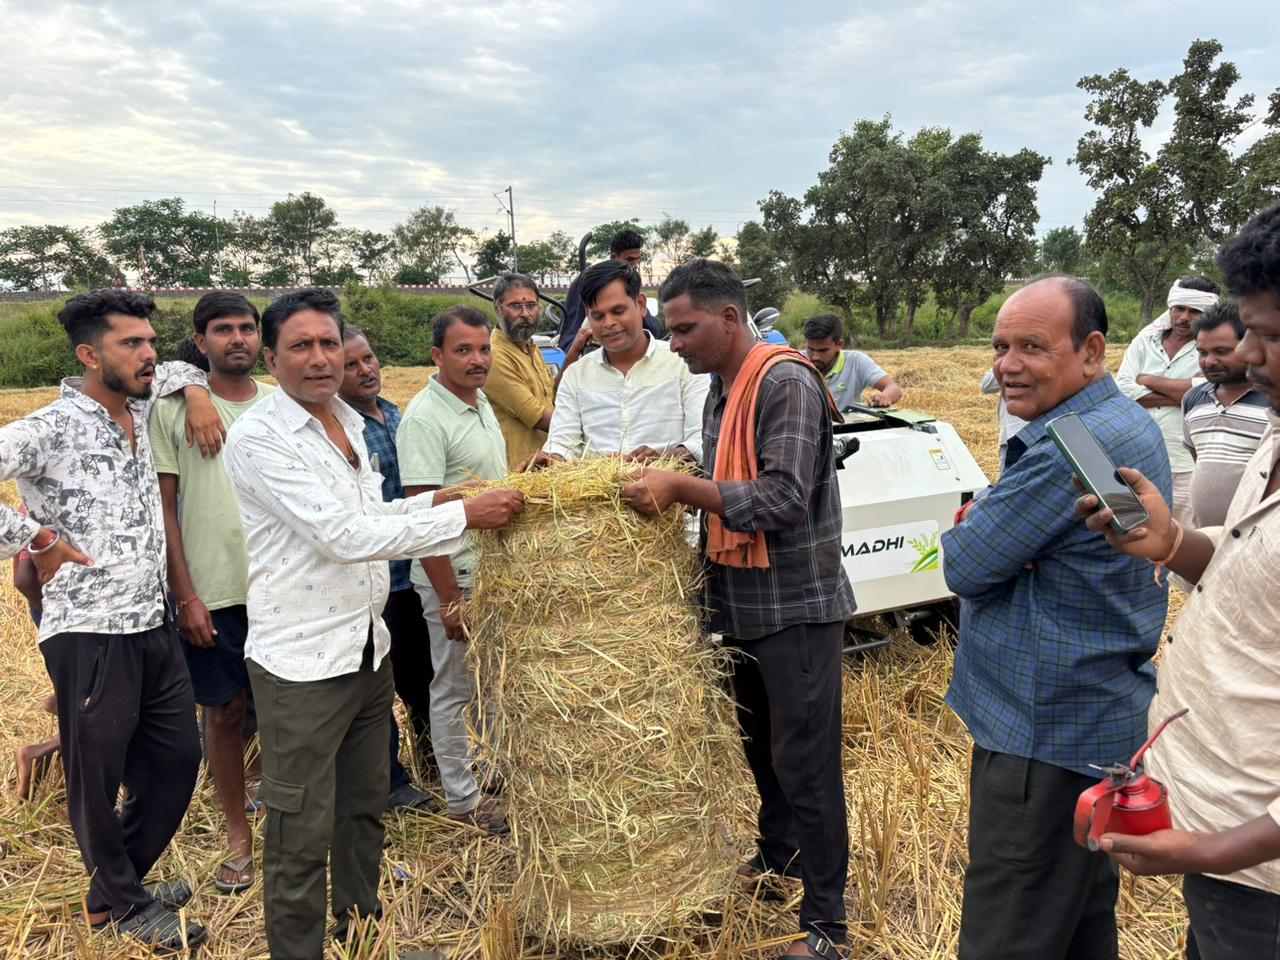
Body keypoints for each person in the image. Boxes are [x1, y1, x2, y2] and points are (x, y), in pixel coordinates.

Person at [223, 288, 523, 960]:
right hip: (302, 665)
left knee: (362, 811)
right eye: (301, 346)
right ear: (271, 358)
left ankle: (361, 935)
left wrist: (444, 499)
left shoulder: (350, 425)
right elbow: (340, 534)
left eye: (329, 343)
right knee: (299, 833)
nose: (321, 358)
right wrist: (461, 519)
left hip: (365, 651)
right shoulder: (260, 438)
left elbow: (376, 518)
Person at [620, 259, 855, 960]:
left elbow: (781, 498)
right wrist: (678, 460)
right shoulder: (725, 388)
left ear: (729, 318)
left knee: (806, 762)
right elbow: (731, 464)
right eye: (672, 329)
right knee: (762, 748)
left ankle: (827, 925)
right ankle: (779, 857)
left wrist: (682, 490)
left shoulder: (783, 380)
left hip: (796, 608)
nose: (676, 343)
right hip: (743, 600)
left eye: (686, 328)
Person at [941, 276, 1171, 960]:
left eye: (1032, 347)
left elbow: (966, 563)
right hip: (1098, 721)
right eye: (1001, 346)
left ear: (1092, 352)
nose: (1007, 365)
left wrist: (982, 518)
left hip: (1042, 735)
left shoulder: (1068, 447)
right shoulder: (1120, 421)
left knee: (1009, 930)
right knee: (1077, 923)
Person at [1075, 201, 1280, 960]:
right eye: (1245, 331)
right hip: (1226, 835)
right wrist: (1175, 542)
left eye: (1270, 335)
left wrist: (1210, 852)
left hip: (1257, 869)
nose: (1248, 355)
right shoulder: (1277, 429)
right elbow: (1252, 562)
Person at [0, 288, 225, 952]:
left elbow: (187, 369)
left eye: (152, 340)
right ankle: (124, 906)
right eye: (133, 344)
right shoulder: (49, 429)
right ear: (90, 355)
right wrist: (32, 539)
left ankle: (114, 887)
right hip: (88, 628)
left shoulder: (148, 405)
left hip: (150, 622)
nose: (150, 353)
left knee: (178, 762)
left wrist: (200, 394)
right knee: (96, 777)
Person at [148, 291, 273, 895]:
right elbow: (166, 510)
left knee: (283, 709)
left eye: (247, 328)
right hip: (215, 588)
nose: (238, 339)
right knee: (223, 712)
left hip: (282, 587)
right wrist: (186, 595)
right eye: (223, 330)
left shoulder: (282, 405)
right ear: (201, 344)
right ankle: (238, 837)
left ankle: (284, 816)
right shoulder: (172, 410)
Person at [396, 305, 510, 833]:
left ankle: (487, 774)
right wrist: (448, 598)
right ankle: (463, 802)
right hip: (455, 578)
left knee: (491, 686)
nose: (477, 359)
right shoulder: (424, 417)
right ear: (437, 355)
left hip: (490, 571)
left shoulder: (479, 402)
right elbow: (423, 518)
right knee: (452, 688)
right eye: (463, 350)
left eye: (483, 348)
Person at [338, 325, 438, 811]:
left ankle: (435, 762)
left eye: (369, 359)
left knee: (424, 678)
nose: (365, 370)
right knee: (379, 688)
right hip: (380, 577)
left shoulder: (398, 414)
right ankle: (392, 781)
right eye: (351, 365)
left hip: (418, 570)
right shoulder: (340, 430)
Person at [536, 259, 709, 465]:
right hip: (594, 494)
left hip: (670, 493)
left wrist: (666, 458)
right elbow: (562, 442)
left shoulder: (682, 364)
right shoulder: (576, 376)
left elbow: (703, 440)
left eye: (618, 311)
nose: (609, 323)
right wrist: (551, 458)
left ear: (641, 305)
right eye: (598, 316)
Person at [1116, 277, 1221, 527]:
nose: (1184, 317)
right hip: (1137, 455)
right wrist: (1182, 393)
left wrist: (1146, 378)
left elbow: (1207, 392)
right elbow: (1122, 389)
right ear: (1170, 307)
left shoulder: (1213, 348)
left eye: (1194, 311)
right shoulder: (1146, 339)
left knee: (1183, 535)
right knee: (1135, 529)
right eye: (1179, 309)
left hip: (1185, 462)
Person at [1179, 299, 1270, 528]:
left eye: (1222, 351)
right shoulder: (1193, 400)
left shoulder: (1273, 403)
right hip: (1206, 541)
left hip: (1261, 543)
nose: (1209, 361)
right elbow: (1199, 459)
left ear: (1251, 345)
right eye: (1202, 352)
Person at [482, 273, 557, 466]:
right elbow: (538, 416)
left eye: (531, 305)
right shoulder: (495, 355)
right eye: (516, 306)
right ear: (497, 308)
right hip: (519, 469)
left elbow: (551, 396)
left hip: (544, 463)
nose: (525, 314)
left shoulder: (530, 347)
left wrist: (574, 353)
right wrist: (590, 427)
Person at [558, 228, 661, 352]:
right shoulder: (590, 282)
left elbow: (653, 329)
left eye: (637, 260)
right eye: (629, 260)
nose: (634, 265)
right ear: (614, 257)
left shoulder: (629, 281)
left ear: (641, 303)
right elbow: (573, 331)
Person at [803, 314, 902, 411]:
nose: (815, 356)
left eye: (823, 351)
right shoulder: (794, 361)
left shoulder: (856, 361)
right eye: (810, 349)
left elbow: (893, 388)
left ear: (839, 345)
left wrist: (885, 397)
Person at [980, 366, 1028, 471]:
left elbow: (986, 385)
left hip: (1016, 434)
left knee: (1011, 483)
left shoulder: (1012, 363)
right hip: (1036, 432)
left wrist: (1003, 360)